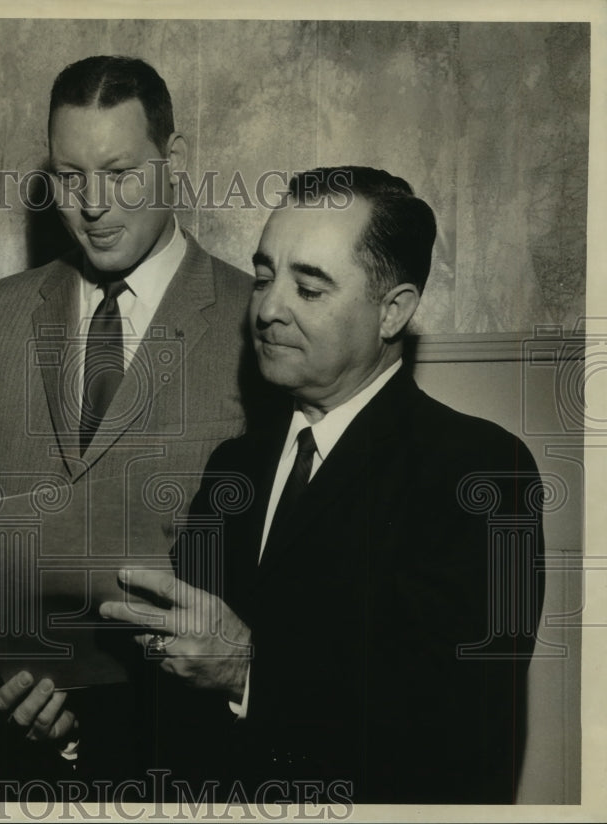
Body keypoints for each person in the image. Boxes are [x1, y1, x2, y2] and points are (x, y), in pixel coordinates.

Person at [101, 167, 546, 803]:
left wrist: (246, 670)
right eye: (262, 277)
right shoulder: (234, 466)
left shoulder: (481, 470)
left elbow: (457, 729)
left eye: (308, 289)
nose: (267, 308)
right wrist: (62, 722)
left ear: (394, 310)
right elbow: (170, 693)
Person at [0, 56, 270, 777]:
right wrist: (0, 671)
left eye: (121, 172)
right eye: (70, 177)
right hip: (19, 737)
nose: (92, 203)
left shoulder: (256, 321)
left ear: (174, 160)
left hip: (189, 745)